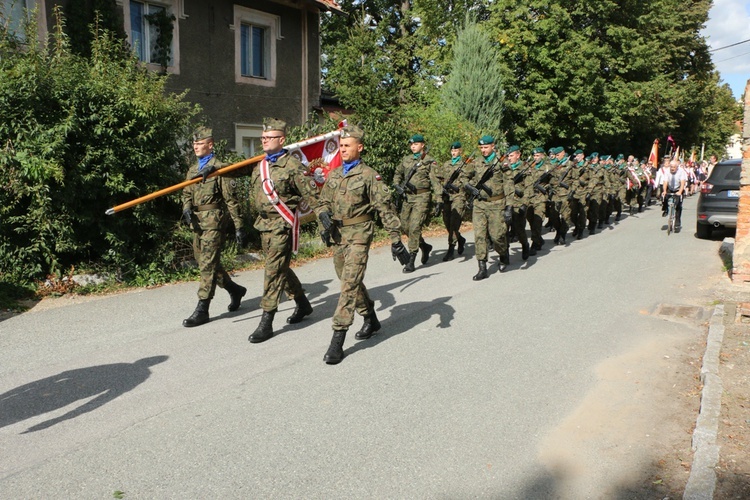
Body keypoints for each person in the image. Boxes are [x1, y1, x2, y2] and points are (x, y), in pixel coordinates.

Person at [315, 125, 409, 365]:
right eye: (341, 145)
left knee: (348, 283)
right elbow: (322, 202)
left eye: (348, 145)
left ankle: (338, 337)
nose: (343, 149)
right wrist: (323, 219)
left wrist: (395, 239)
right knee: (347, 278)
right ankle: (370, 317)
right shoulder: (334, 174)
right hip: (338, 234)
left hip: (360, 232)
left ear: (360, 147)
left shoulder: (369, 175)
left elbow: (384, 208)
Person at [246, 118, 319, 343]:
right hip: (263, 224)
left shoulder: (293, 166)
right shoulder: (261, 165)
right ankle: (303, 304)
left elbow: (311, 195)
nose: (264, 141)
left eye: (269, 138)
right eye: (263, 138)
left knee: (273, 270)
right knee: (280, 267)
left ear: (282, 139)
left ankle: (266, 320)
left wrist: (325, 219)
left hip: (282, 224)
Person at [181, 127, 247, 327]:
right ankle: (234, 289)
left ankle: (203, 308)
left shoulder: (219, 168)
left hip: (213, 223)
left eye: (199, 144)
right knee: (206, 261)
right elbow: (185, 193)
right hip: (197, 223)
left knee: (207, 265)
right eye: (194, 144)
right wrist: (186, 208)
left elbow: (231, 200)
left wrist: (239, 226)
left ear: (210, 145)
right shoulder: (193, 169)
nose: (195, 147)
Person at [464, 135, 512, 280]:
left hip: (497, 204)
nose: (483, 150)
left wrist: (509, 206)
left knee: (497, 236)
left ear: (493, 146)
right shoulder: (476, 162)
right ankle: (482, 268)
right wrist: (469, 187)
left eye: (486, 147)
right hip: (479, 204)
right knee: (479, 236)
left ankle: (503, 254)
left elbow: (509, 184)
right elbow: (464, 177)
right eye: (481, 148)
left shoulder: (501, 162)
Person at [393, 134, 440, 272]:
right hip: (408, 197)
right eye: (411, 144)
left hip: (422, 197)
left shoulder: (429, 161)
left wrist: (439, 200)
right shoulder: (406, 160)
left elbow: (436, 182)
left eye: (416, 144)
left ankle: (411, 259)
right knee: (405, 226)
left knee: (414, 227)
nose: (413, 146)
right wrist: (397, 185)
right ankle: (424, 246)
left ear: (422, 145)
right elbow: (397, 173)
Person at [434, 141, 470, 261]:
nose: (454, 153)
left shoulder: (464, 165)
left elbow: (468, 180)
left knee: (454, 222)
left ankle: (451, 249)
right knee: (447, 222)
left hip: (459, 195)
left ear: (460, 151)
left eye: (456, 151)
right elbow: (440, 178)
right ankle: (460, 239)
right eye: (452, 151)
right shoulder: (446, 164)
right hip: (447, 196)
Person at [505, 145, 533, 259]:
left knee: (519, 229)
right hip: (506, 203)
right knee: (503, 230)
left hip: (518, 203)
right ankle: (505, 254)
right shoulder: (505, 168)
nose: (509, 158)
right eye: (508, 156)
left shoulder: (525, 168)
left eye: (511, 156)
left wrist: (525, 204)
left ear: (518, 155)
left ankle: (525, 245)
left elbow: (529, 188)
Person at [661, 159, 688, 231]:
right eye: (671, 167)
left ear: (677, 167)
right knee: (664, 197)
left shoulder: (681, 172)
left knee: (678, 205)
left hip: (678, 188)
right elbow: (665, 182)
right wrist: (664, 191)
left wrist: (679, 192)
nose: (672, 169)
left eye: (673, 167)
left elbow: (682, 183)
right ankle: (666, 209)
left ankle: (677, 223)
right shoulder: (667, 172)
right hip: (670, 187)